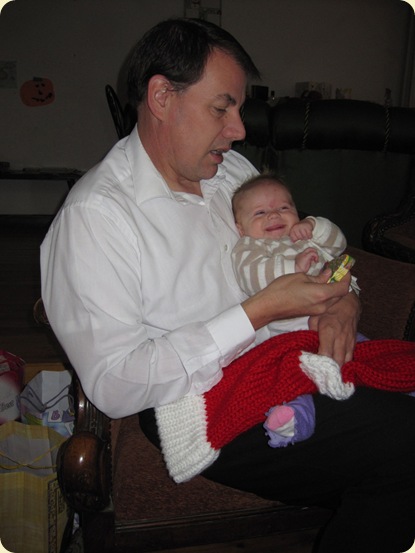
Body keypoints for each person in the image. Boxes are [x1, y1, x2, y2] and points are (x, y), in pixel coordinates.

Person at [40, 17, 415, 553]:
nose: (239, 129)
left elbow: (312, 251)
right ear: (162, 97)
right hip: (206, 401)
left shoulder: (231, 170)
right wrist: (258, 312)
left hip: (295, 358)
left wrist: (343, 302)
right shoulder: (96, 219)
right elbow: (115, 385)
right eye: (222, 108)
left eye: (239, 108)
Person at [231, 174, 357, 447]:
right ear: (240, 228)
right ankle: (292, 420)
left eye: (284, 207)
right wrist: (293, 268)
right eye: (260, 212)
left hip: (333, 323)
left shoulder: (303, 238)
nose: (274, 215)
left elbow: (339, 242)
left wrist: (313, 226)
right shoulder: (249, 247)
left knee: (361, 352)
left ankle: (397, 381)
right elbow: (252, 277)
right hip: (288, 337)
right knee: (290, 381)